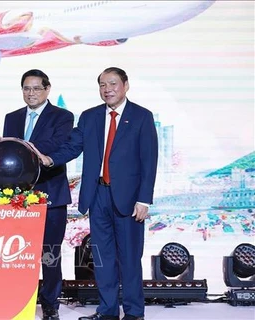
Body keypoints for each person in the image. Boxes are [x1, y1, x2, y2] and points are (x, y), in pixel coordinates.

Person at [33, 67, 158, 320]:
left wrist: (144, 199)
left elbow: (149, 160)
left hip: (129, 199)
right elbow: (72, 147)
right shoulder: (90, 117)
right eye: (102, 84)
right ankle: (107, 311)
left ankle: (134, 313)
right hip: (97, 195)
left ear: (125, 85)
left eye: (112, 84)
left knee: (130, 259)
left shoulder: (141, 116)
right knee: (103, 259)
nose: (107, 89)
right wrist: (48, 160)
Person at [3, 69, 74, 320]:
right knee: (20, 253)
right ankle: (20, 301)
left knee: (50, 253)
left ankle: (50, 302)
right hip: (18, 197)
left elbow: (58, 145)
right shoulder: (11, 118)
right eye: (26, 88)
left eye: (36, 88)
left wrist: (23, 149)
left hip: (51, 194)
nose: (30, 93)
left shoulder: (62, 116)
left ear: (47, 89)